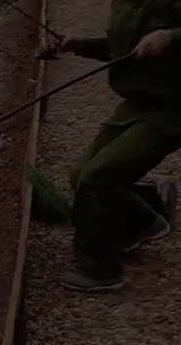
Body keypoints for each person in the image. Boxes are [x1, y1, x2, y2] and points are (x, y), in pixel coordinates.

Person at [55, 3, 181, 291]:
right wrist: (81, 46)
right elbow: (122, 49)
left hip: (173, 109)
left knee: (98, 178)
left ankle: (100, 271)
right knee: (79, 174)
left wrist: (171, 37)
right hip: (138, 103)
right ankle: (145, 223)